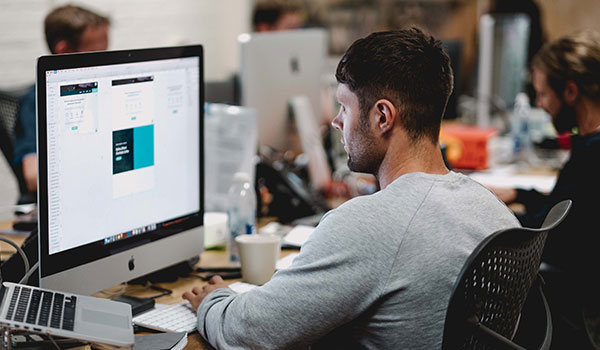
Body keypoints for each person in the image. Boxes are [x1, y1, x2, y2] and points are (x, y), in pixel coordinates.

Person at [183, 28, 518, 349]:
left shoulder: (368, 225)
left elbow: (250, 333)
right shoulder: (490, 209)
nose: (336, 122)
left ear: (382, 117)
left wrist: (214, 300)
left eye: (344, 106)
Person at [491, 31, 600, 348]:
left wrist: (480, 210)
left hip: (575, 303)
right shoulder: (590, 149)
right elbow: (570, 203)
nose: (540, 105)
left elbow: (544, 229)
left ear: (569, 91)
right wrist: (520, 194)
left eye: (542, 95)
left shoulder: (592, 156)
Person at [13, 4, 109, 197]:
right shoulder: (36, 102)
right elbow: (33, 177)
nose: (106, 62)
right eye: (98, 54)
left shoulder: (101, 91)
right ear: (64, 51)